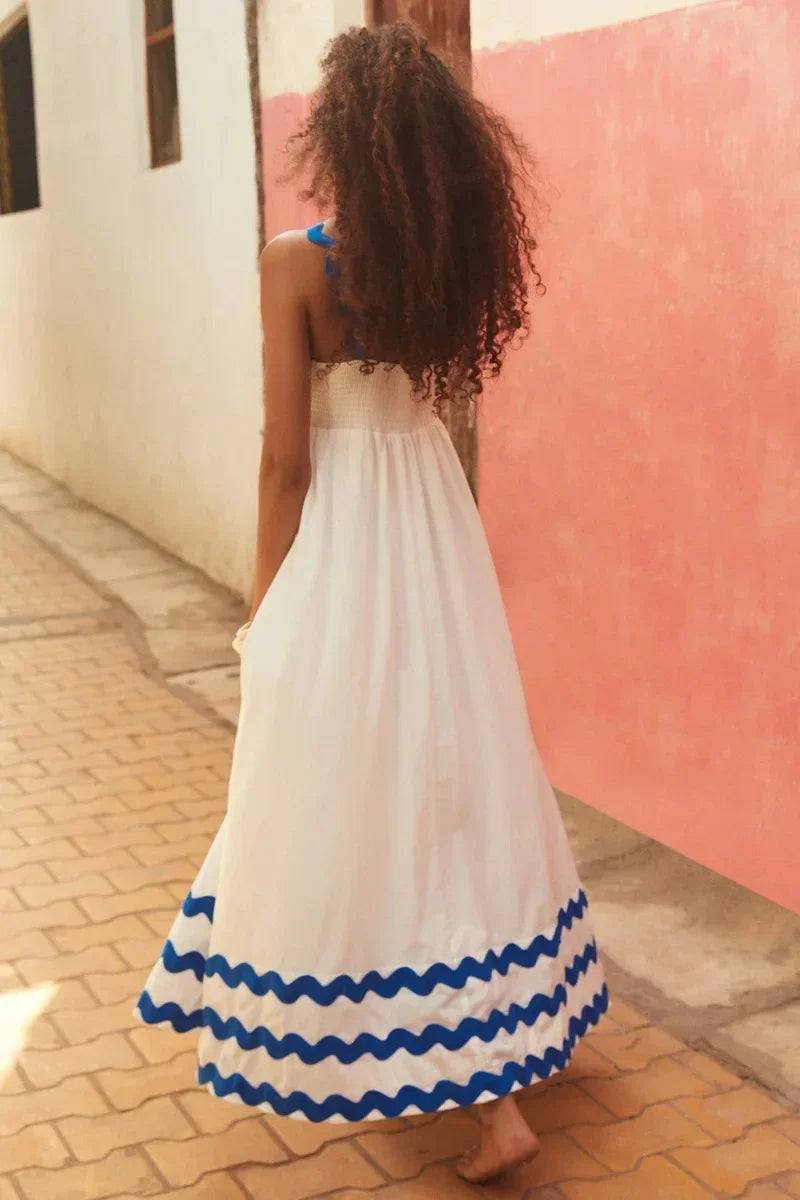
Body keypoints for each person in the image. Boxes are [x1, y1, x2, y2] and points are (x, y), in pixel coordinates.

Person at [134, 21, 608, 1185]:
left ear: (340, 135)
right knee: (456, 770)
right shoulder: (437, 259)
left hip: (347, 535)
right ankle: (507, 1038)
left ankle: (472, 1094)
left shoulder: (298, 262)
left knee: (344, 776)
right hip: (429, 526)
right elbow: (421, 415)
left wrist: (265, 606)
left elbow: (285, 463)